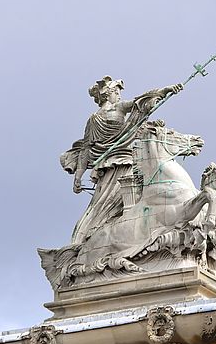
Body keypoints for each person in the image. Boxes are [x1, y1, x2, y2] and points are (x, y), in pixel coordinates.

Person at [60, 76, 182, 245]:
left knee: (131, 194)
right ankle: (97, 236)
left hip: (122, 159)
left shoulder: (103, 114)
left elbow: (141, 100)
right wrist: (78, 176)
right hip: (112, 166)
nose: (118, 95)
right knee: (106, 204)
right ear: (108, 94)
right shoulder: (107, 113)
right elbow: (86, 149)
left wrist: (165, 90)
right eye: (116, 92)